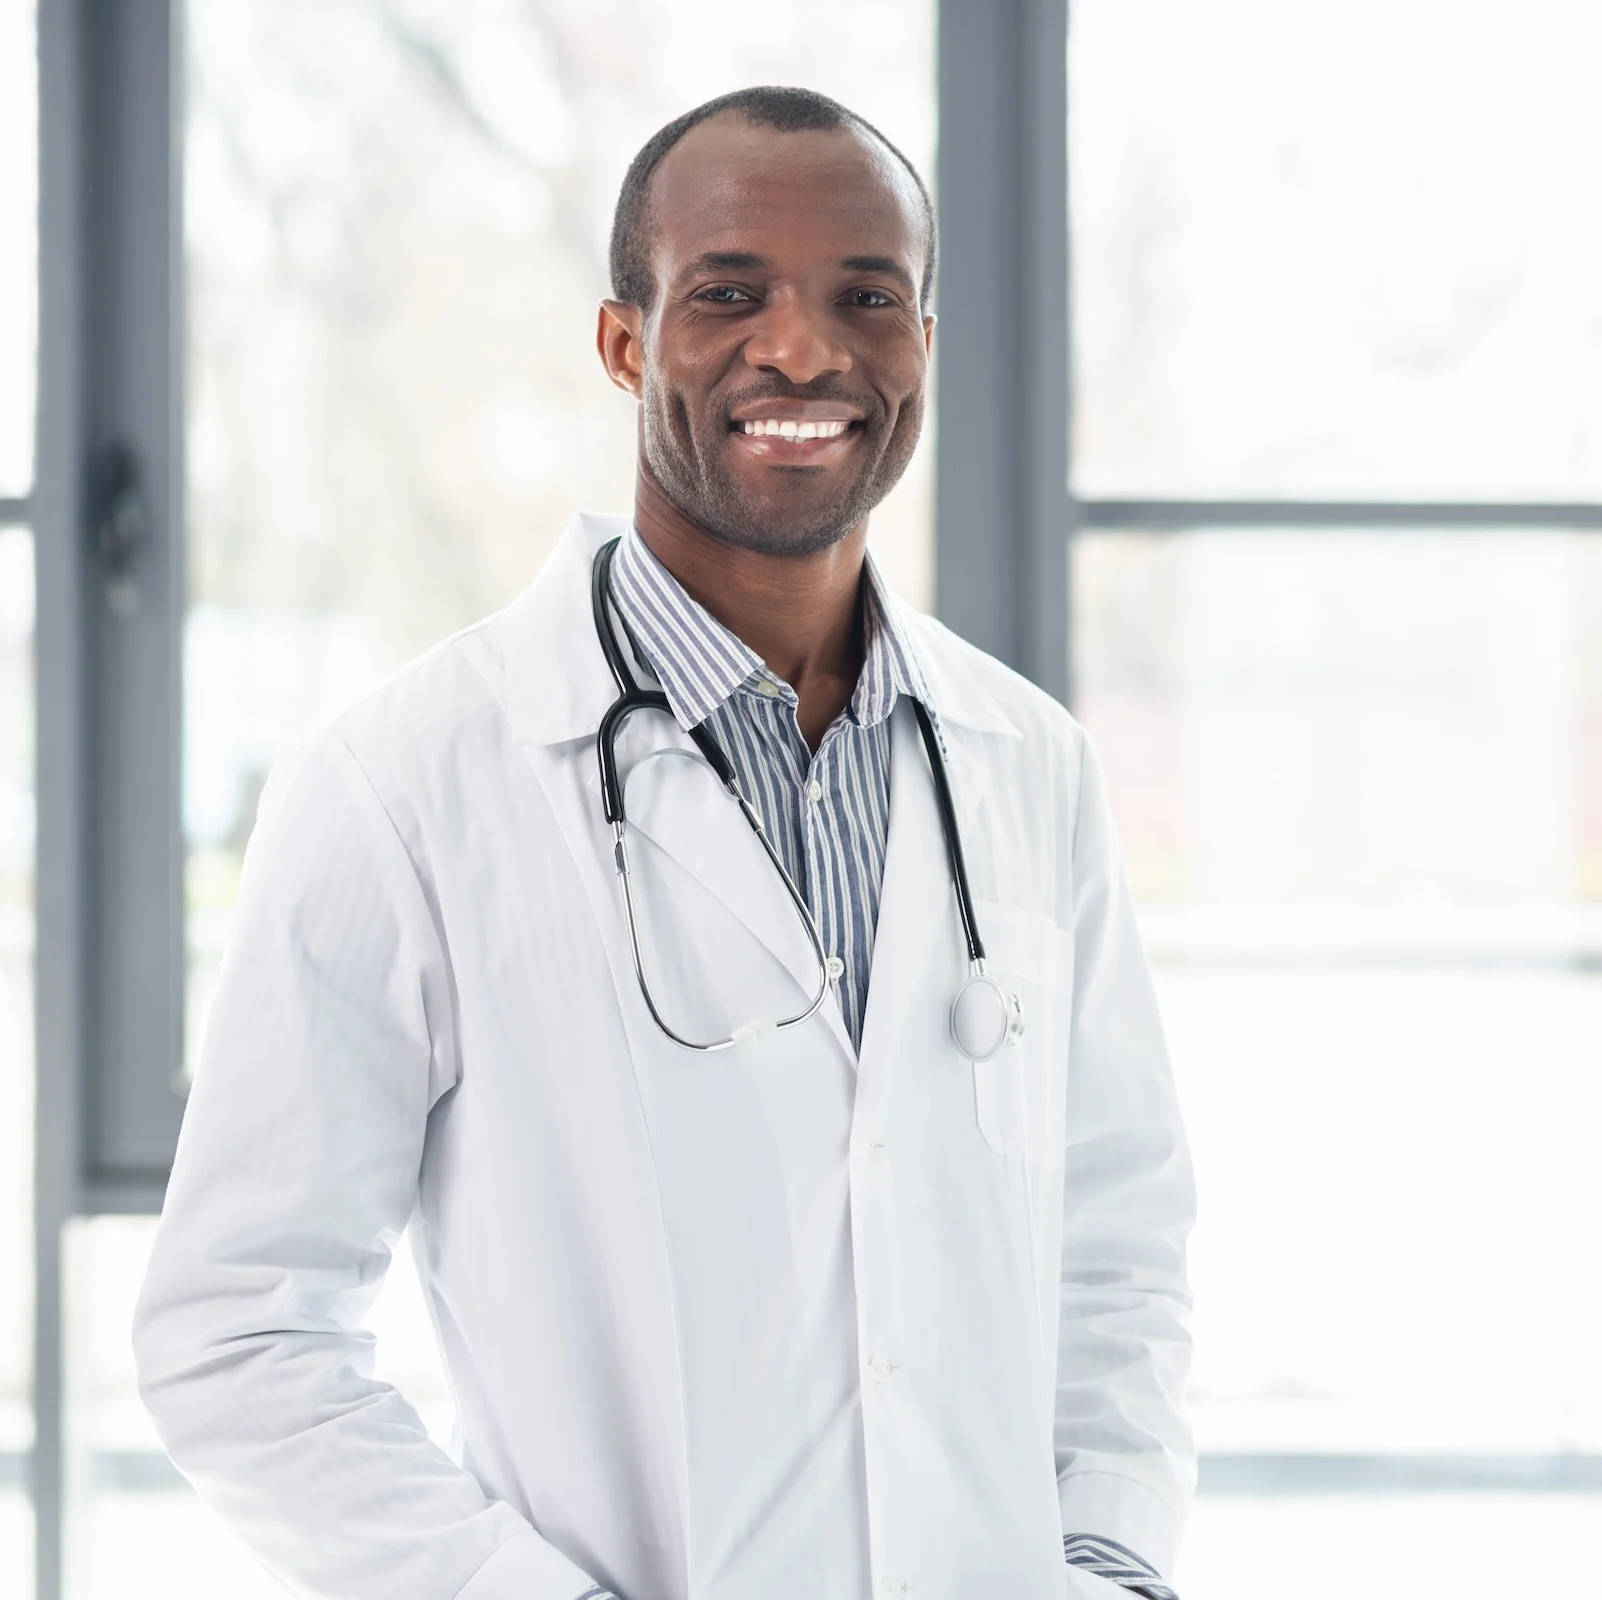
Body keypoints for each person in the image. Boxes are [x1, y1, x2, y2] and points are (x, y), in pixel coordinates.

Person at [134, 85, 1194, 1600]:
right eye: (728, 294)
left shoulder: (1029, 767)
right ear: (624, 341)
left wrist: (1111, 1565)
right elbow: (236, 1335)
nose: (804, 350)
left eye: (866, 297)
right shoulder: (403, 785)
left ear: (925, 344)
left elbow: (1120, 1254)